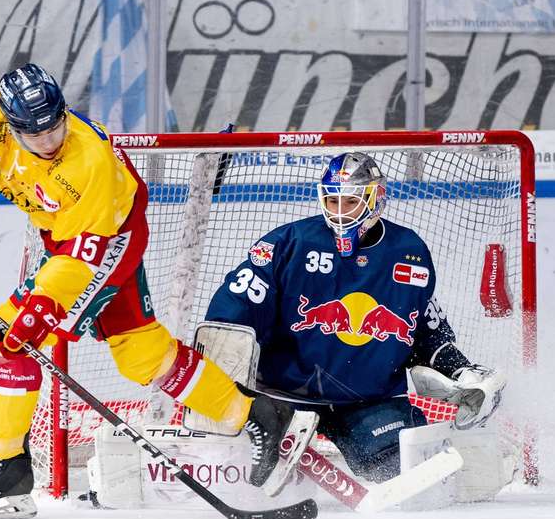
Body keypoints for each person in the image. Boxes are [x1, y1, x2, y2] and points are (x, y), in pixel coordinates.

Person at [0, 63, 297, 518]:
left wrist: (41, 309)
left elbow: (80, 260)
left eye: (56, 126)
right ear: (8, 125)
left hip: (102, 239)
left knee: (8, 341)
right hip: (69, 238)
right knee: (141, 355)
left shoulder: (89, 160)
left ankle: (7, 470)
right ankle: (252, 413)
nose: (50, 141)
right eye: (36, 134)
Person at [204, 151, 506, 485]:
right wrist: (224, 387)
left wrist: (461, 371)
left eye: (350, 201)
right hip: (284, 400)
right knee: (255, 481)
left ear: (376, 198)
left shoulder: (410, 252)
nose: (339, 212)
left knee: (413, 476)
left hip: (370, 402)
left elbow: (425, 330)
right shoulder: (289, 244)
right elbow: (233, 315)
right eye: (332, 201)